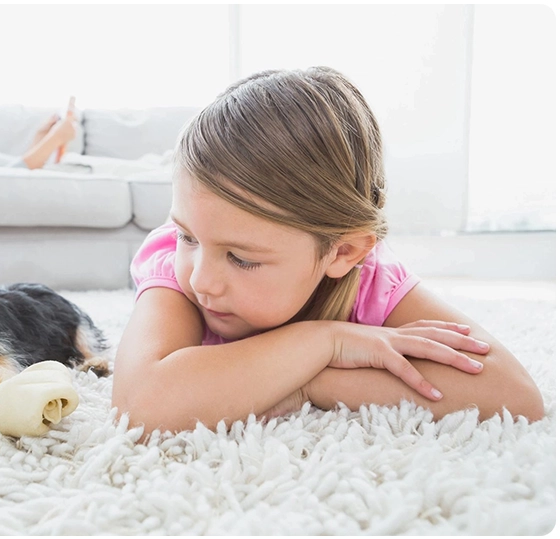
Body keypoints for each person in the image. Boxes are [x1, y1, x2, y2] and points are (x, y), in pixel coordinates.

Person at [111, 67, 544, 435]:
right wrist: (325, 342)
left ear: (343, 252)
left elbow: (515, 397)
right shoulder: (176, 270)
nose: (200, 278)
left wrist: (310, 383)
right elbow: (139, 407)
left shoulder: (370, 282)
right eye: (188, 235)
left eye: (242, 258)